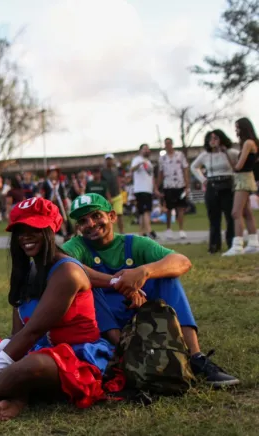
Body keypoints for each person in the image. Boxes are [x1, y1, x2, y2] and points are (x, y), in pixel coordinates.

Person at [0, 197, 113, 421]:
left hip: (75, 356)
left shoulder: (67, 273)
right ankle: (15, 392)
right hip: (32, 347)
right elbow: (17, 336)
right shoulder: (28, 270)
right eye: (20, 230)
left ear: (50, 230)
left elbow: (32, 331)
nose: (25, 236)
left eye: (33, 228)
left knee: (32, 365)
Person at [63, 193, 239, 387]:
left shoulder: (133, 243)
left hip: (141, 313)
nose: (90, 223)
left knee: (168, 279)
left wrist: (143, 272)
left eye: (96, 216)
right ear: (78, 227)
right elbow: (64, 267)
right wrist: (120, 283)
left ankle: (196, 357)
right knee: (84, 285)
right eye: (83, 220)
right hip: (105, 323)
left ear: (112, 216)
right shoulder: (76, 246)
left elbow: (182, 262)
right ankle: (124, 356)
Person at [191, 130, 236, 254]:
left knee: (230, 216)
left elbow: (240, 163)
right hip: (212, 184)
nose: (213, 141)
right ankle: (214, 245)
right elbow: (194, 166)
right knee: (214, 217)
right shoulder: (205, 155)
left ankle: (232, 242)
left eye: (216, 138)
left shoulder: (230, 153)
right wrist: (203, 180)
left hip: (227, 184)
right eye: (210, 139)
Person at [224, 118, 259, 256]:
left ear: (244, 128)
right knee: (247, 213)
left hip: (243, 179)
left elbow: (239, 165)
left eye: (237, 127)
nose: (236, 130)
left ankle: (237, 245)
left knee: (235, 212)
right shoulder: (250, 143)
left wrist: (229, 157)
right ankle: (254, 243)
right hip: (244, 178)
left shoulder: (248, 143)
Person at [158, 138, 190, 240]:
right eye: (166, 144)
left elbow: (185, 169)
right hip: (168, 185)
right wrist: (157, 187)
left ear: (172, 144)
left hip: (180, 184)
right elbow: (160, 173)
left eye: (169, 143)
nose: (168, 145)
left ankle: (181, 230)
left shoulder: (180, 155)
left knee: (180, 208)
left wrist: (187, 185)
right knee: (168, 208)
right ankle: (168, 230)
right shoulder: (162, 158)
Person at [130, 144, 157, 239]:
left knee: (143, 212)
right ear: (140, 150)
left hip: (148, 189)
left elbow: (151, 176)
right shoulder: (137, 159)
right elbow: (132, 169)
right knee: (146, 210)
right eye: (144, 149)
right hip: (140, 189)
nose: (146, 151)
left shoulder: (149, 162)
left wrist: (155, 189)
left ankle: (141, 232)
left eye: (147, 149)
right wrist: (140, 164)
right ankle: (149, 230)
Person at [42, 166, 72, 238]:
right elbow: (43, 194)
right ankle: (52, 234)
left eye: (55, 172)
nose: (53, 174)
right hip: (50, 204)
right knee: (50, 219)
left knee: (62, 218)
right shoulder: (46, 183)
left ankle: (65, 233)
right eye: (51, 172)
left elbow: (62, 194)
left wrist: (64, 203)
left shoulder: (60, 183)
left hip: (59, 204)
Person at [101, 154, 124, 234]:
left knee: (119, 214)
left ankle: (122, 232)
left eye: (110, 159)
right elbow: (104, 185)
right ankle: (109, 233)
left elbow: (118, 180)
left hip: (117, 195)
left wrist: (120, 188)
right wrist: (109, 197)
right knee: (108, 216)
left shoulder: (115, 170)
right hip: (108, 197)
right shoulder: (103, 172)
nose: (109, 161)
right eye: (108, 159)